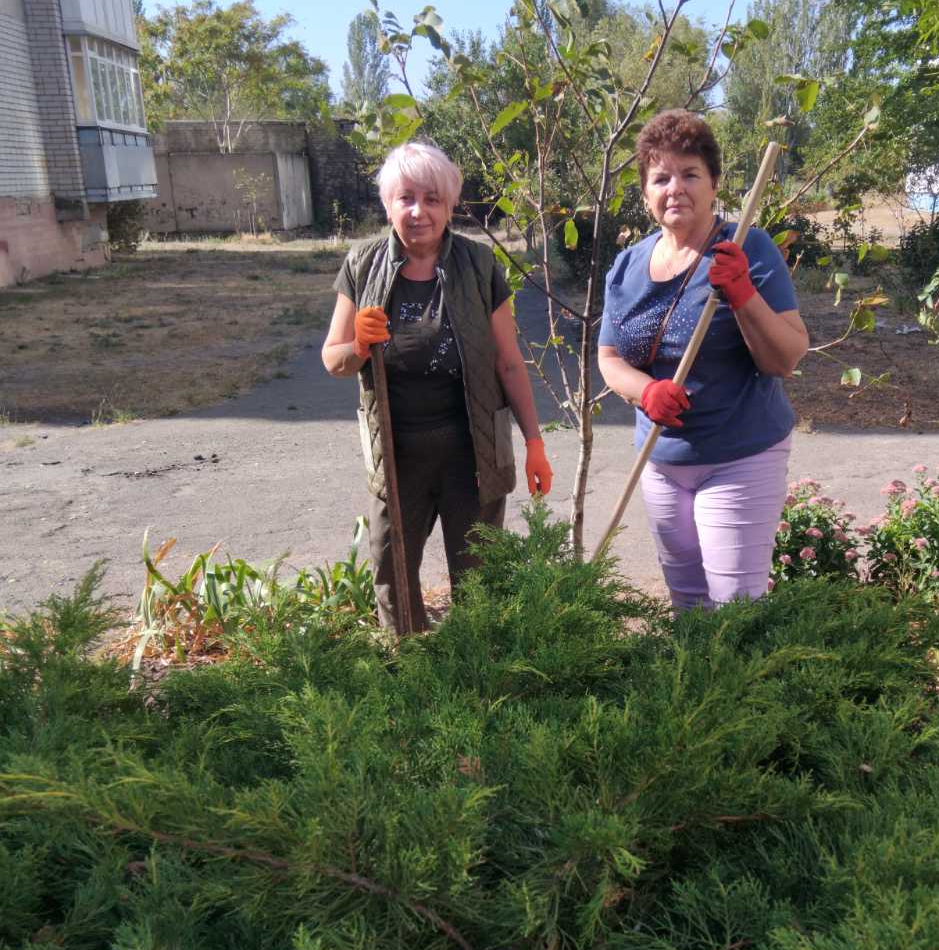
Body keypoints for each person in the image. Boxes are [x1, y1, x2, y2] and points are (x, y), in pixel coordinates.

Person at [321, 142, 551, 632]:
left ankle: (473, 678)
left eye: (432, 199)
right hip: (397, 454)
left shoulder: (478, 264)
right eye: (405, 198)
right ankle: (409, 671)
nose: (418, 211)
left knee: (479, 577)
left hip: (473, 453)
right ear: (387, 205)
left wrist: (534, 443)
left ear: (450, 205)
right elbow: (333, 359)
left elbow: (509, 364)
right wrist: (358, 346)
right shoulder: (362, 266)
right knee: (392, 572)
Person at [597, 110, 808, 612]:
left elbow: (787, 357)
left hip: (740, 458)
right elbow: (608, 358)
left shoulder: (746, 248)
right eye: (661, 177)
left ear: (714, 183)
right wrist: (644, 391)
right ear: (646, 192)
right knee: (688, 605)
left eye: (690, 174)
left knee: (735, 607)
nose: (676, 188)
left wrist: (742, 294)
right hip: (661, 461)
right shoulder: (628, 265)